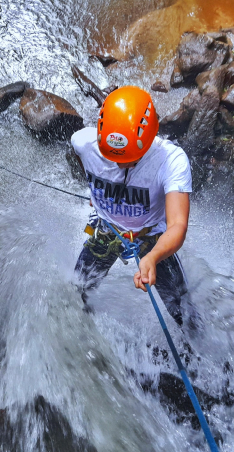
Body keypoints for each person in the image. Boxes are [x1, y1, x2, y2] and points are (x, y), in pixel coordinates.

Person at [72, 86, 192, 326]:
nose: (120, 165)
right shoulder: (84, 143)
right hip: (106, 229)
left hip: (151, 237)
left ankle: (195, 342)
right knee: (77, 292)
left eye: (130, 160)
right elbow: (80, 158)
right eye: (113, 157)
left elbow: (177, 224)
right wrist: (94, 192)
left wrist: (154, 256)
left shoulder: (171, 160)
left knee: (180, 307)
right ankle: (79, 336)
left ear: (149, 141)